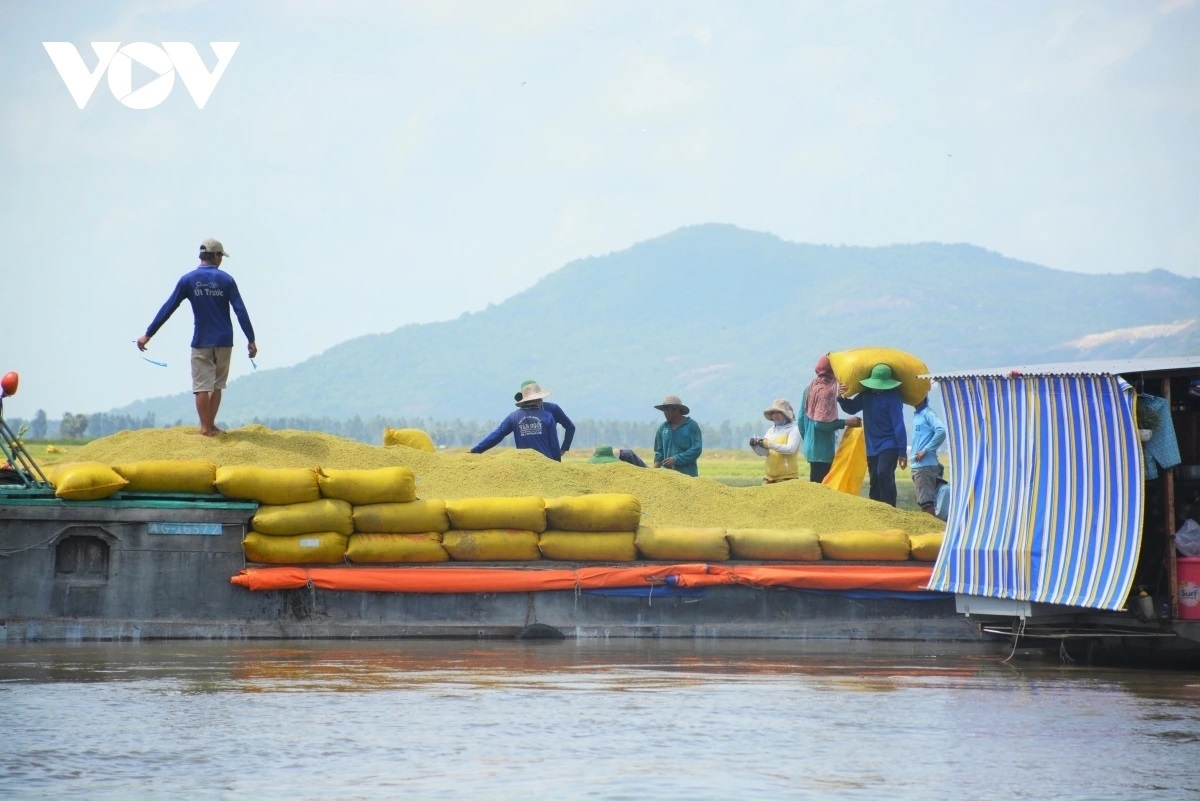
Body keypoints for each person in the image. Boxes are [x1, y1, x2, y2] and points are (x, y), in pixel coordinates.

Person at [137, 238, 256, 437]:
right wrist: (250, 339)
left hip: (202, 340)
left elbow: (169, 307)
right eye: (221, 256)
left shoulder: (188, 280)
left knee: (202, 385)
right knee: (217, 384)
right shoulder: (226, 280)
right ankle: (211, 425)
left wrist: (148, 335)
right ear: (216, 256)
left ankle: (205, 428)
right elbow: (240, 310)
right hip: (225, 340)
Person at [837, 363, 908, 507]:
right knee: (874, 478)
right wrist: (841, 398)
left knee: (884, 474)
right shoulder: (866, 394)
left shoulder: (893, 397)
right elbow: (851, 408)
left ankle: (889, 509)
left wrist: (902, 452)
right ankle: (875, 510)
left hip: (889, 444)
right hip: (871, 445)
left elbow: (899, 425)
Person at [470, 382, 574, 461]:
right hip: (545, 462)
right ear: (538, 399)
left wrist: (476, 450)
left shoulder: (513, 417)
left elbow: (498, 434)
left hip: (524, 463)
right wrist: (556, 463)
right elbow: (554, 444)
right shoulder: (548, 416)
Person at [799, 354, 861, 482]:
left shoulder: (809, 388)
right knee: (821, 487)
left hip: (811, 447)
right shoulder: (825, 392)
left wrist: (808, 439)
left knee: (815, 482)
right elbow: (820, 423)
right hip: (823, 449)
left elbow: (800, 419)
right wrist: (846, 422)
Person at [910, 396, 947, 515]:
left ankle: (931, 531)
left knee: (927, 503)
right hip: (919, 466)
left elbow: (941, 430)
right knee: (924, 501)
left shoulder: (927, 413)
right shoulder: (918, 415)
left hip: (924, 466)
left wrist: (925, 450)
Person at [749, 399, 801, 483]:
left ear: (786, 414)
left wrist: (769, 444)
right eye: (774, 413)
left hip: (787, 477)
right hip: (769, 477)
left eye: (779, 412)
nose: (776, 415)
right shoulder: (771, 431)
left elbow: (790, 449)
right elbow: (766, 453)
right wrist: (755, 446)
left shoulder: (794, 430)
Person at [653, 395, 702, 476]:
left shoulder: (691, 425)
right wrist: (652, 473)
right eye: (664, 410)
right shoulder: (662, 428)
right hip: (668, 477)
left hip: (688, 475)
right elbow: (659, 453)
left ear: (676, 409)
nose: (664, 413)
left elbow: (696, 449)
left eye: (667, 410)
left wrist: (676, 459)